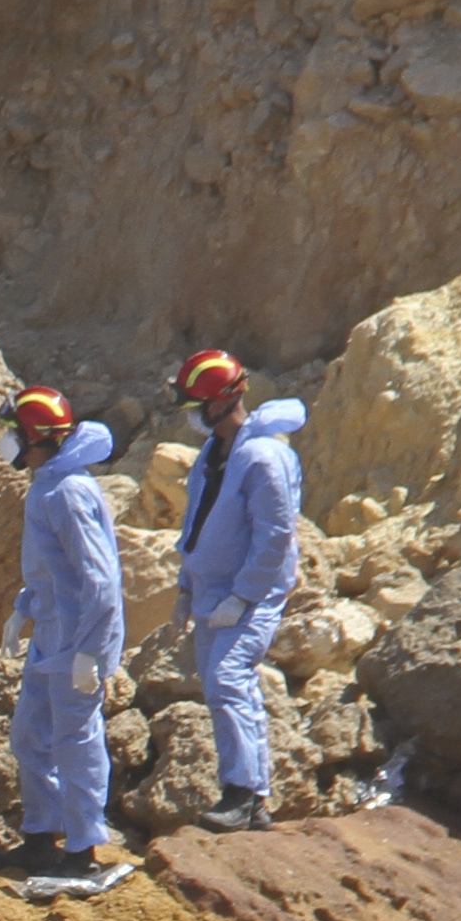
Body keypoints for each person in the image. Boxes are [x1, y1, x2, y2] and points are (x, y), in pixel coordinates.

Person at [170, 345, 306, 834]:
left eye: (195, 407)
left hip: (249, 596)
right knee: (223, 686)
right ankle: (254, 800)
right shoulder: (214, 452)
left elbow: (275, 536)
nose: (192, 418)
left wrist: (244, 595)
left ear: (220, 402)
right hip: (212, 592)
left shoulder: (262, 457)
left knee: (229, 679)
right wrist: (187, 585)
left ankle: (242, 794)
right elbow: (199, 518)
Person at [4, 383, 123, 875]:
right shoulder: (46, 484)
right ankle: (40, 834)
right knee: (30, 734)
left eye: (14, 432)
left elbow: (100, 579)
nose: (7, 441)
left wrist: (90, 652)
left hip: (75, 640)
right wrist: (22, 611)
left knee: (76, 744)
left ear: (35, 438)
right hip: (50, 636)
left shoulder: (68, 491)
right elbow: (51, 569)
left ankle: (82, 849)